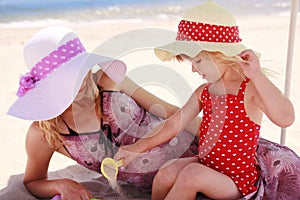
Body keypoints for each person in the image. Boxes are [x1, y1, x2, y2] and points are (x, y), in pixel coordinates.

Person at [114, 1, 295, 199]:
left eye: (198, 61)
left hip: (236, 181)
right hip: (208, 165)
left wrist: (258, 75)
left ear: (221, 54)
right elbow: (174, 124)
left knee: (192, 175)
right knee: (167, 172)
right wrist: (136, 148)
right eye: (191, 62)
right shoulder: (205, 92)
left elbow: (285, 118)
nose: (193, 69)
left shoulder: (249, 89)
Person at [7, 26, 200, 200]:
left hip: (199, 151)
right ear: (48, 86)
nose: (80, 81)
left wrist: (221, 140)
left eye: (79, 70)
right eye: (65, 79)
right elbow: (33, 181)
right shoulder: (44, 134)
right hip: (166, 186)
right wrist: (62, 184)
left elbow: (171, 112)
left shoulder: (109, 82)